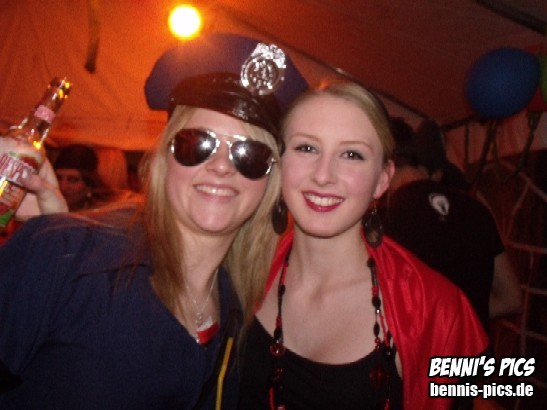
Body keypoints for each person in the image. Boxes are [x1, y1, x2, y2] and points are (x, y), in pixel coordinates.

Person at [0, 33, 307, 408]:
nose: (221, 166)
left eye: (249, 154)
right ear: (164, 158)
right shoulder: (62, 253)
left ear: (270, 182)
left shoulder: (241, 317)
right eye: (198, 143)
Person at [238, 80, 489, 409]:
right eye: (307, 148)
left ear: (382, 179)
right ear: (279, 162)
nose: (323, 175)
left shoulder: (435, 308)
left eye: (352, 154)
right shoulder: (243, 269)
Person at [380, 117, 522, 331]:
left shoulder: (384, 218)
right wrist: (464, 313)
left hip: (425, 349)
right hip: (475, 349)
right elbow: (512, 299)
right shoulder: (477, 210)